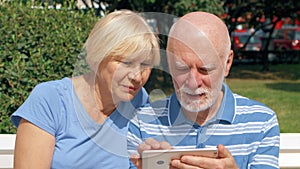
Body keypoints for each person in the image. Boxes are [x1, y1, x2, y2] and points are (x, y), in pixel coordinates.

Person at [127, 11, 280, 169]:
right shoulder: (141, 123)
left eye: (204, 69)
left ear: (227, 63)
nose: (193, 83)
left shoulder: (260, 122)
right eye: (181, 68)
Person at [10, 9, 160, 169]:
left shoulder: (138, 101)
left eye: (145, 64)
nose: (137, 77)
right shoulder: (50, 100)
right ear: (98, 57)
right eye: (127, 63)